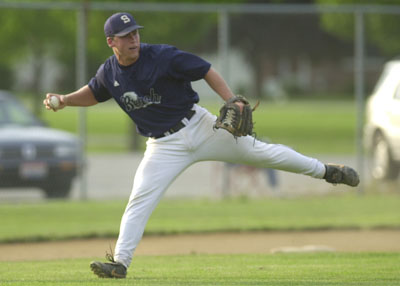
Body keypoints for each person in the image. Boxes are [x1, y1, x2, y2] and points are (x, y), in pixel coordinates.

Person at [43, 12, 360, 279]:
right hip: (163, 146)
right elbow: (95, 92)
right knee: (140, 196)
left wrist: (231, 100)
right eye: (125, 36)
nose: (133, 40)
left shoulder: (163, 56)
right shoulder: (109, 73)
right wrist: (66, 101)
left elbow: (206, 69)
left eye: (135, 34)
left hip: (200, 125)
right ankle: (120, 264)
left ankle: (328, 171)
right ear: (111, 42)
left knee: (262, 152)